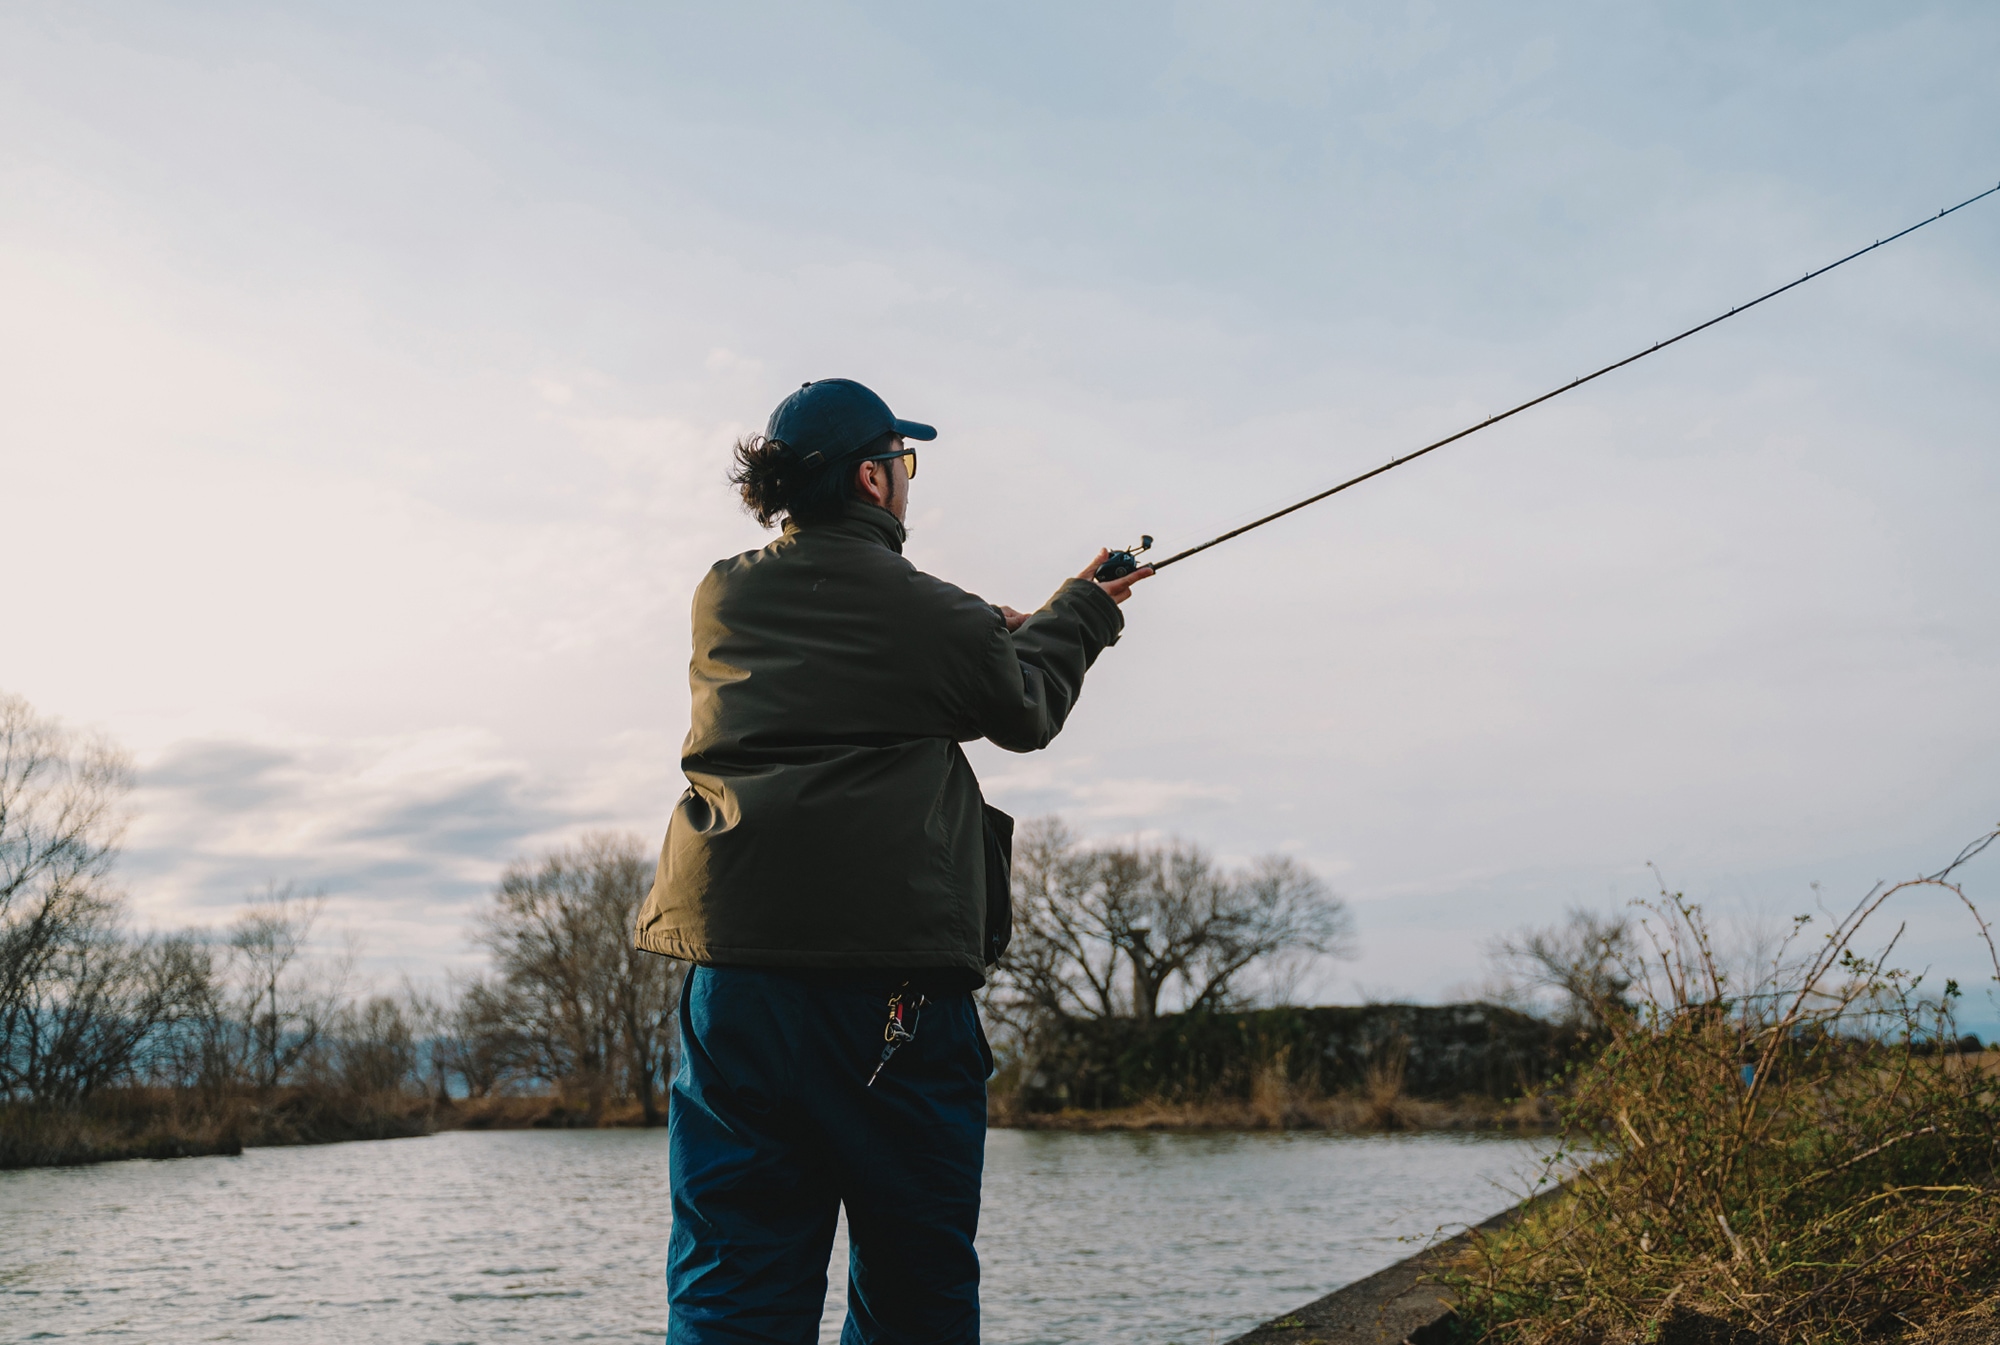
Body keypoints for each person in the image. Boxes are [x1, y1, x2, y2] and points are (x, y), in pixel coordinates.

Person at [635, 377, 1151, 1344]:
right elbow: (1024, 709)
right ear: (873, 478)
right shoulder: (936, 616)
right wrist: (1078, 612)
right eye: (903, 464)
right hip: (891, 994)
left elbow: (869, 652)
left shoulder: (721, 595)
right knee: (913, 1279)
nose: (907, 481)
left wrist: (994, 628)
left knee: (730, 1278)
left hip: (736, 983)